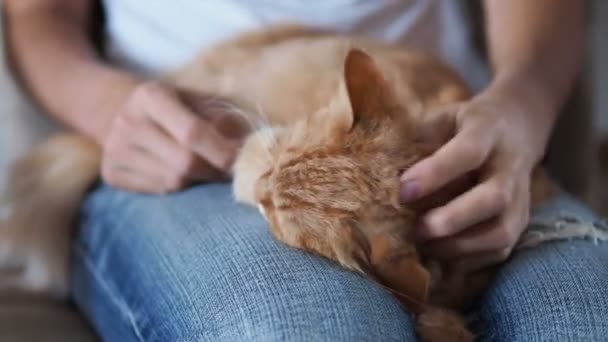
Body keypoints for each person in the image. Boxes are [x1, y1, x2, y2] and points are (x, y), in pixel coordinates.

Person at [4, 0, 607, 341]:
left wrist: (521, 103)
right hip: (184, 134)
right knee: (298, 329)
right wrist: (109, 109)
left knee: (582, 323)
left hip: (448, 129)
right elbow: (36, 12)